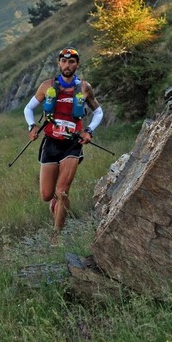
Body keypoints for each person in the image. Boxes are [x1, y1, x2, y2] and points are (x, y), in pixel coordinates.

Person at [23, 47, 104, 245]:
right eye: (64, 62)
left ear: (77, 64)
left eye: (72, 62)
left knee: (63, 191)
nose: (68, 65)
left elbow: (99, 112)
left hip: (72, 144)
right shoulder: (46, 86)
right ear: (59, 63)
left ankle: (56, 236)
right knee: (47, 195)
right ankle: (55, 204)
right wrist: (32, 126)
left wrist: (89, 131)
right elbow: (28, 108)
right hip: (51, 143)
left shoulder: (84, 87)